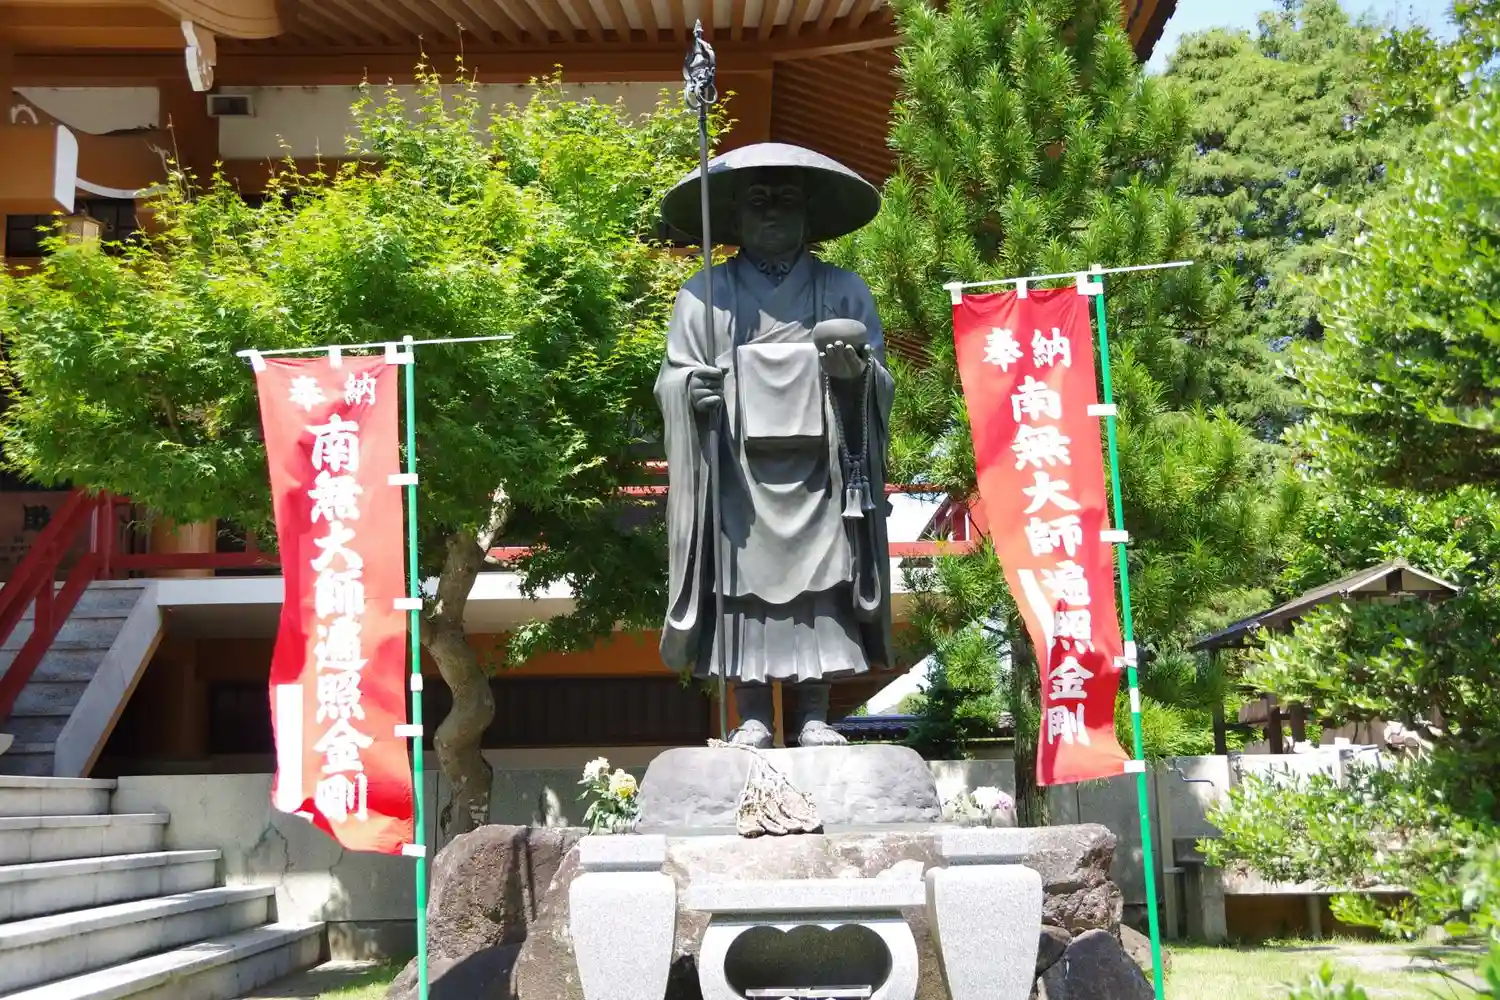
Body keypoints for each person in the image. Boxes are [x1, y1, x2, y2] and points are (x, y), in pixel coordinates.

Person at [655, 142, 895, 749]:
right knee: (742, 589)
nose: (771, 212)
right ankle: (754, 714)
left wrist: (854, 379)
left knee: (822, 587)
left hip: (821, 475)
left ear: (809, 214)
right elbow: (674, 377)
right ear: (733, 215)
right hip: (737, 474)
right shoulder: (703, 295)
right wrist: (692, 392)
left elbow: (878, 378)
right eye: (756, 200)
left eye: (786, 199)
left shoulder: (843, 290)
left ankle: (814, 713)